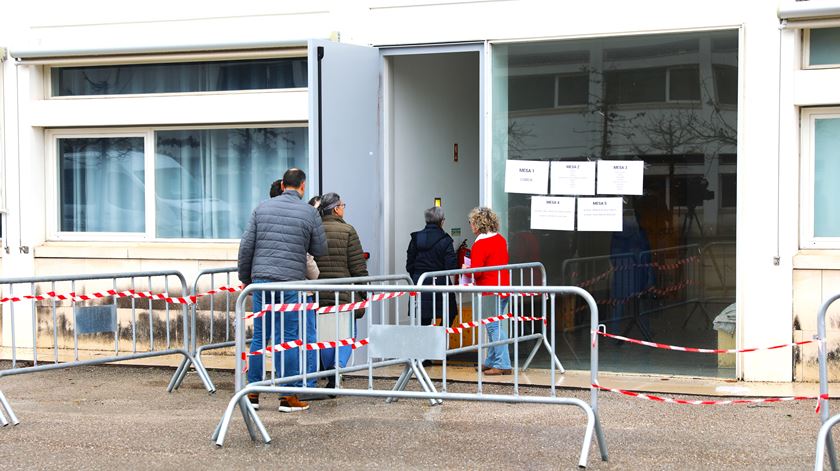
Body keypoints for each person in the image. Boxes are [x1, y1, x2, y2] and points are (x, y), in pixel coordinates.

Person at [238, 168, 327, 412]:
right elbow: (320, 248)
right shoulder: (309, 212)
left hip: (261, 282)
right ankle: (288, 396)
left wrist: (246, 279)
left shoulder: (261, 208)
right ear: (302, 186)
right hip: (289, 282)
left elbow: (246, 247)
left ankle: (252, 392)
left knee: (260, 336)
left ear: (282, 185)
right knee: (289, 338)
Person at [315, 192, 369, 387]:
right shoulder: (348, 231)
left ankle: (330, 372)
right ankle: (337, 367)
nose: (344, 208)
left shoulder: (315, 229)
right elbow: (357, 266)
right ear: (337, 209)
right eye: (343, 205)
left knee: (324, 334)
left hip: (319, 294)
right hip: (343, 294)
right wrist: (364, 293)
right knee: (346, 333)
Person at [467, 206, 512, 376]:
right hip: (503, 287)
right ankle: (491, 361)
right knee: (494, 325)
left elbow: (477, 271)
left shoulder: (480, 243)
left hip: (488, 289)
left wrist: (466, 268)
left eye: (472, 222)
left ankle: (503, 364)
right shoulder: (500, 239)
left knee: (493, 327)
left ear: (478, 224)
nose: (471, 226)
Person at [406, 206, 458, 326]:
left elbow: (409, 264)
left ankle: (427, 343)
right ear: (442, 221)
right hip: (441, 285)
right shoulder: (446, 240)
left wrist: (417, 276)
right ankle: (439, 340)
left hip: (419, 283)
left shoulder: (415, 238)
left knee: (423, 320)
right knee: (449, 313)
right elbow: (451, 267)